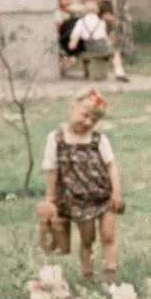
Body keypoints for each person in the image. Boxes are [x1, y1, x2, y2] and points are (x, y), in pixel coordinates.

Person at [37, 89, 123, 281]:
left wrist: (116, 192)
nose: (88, 122)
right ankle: (88, 273)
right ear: (71, 108)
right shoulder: (56, 139)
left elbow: (111, 166)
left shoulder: (98, 139)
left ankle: (111, 271)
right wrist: (50, 198)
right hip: (78, 200)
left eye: (94, 120)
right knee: (87, 238)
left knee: (108, 235)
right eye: (85, 116)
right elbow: (52, 169)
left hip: (103, 195)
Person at [66, 0, 113, 81]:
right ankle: (100, 72)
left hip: (89, 47)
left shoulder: (81, 22)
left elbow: (75, 36)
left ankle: (87, 70)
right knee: (103, 51)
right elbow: (105, 37)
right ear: (97, 10)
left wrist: (71, 45)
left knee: (81, 50)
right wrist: (110, 45)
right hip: (102, 47)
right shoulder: (101, 22)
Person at [93, 0, 130, 83]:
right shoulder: (100, 12)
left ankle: (119, 72)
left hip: (99, 39)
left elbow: (112, 26)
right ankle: (119, 72)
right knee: (115, 51)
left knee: (114, 51)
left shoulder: (102, 12)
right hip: (97, 40)